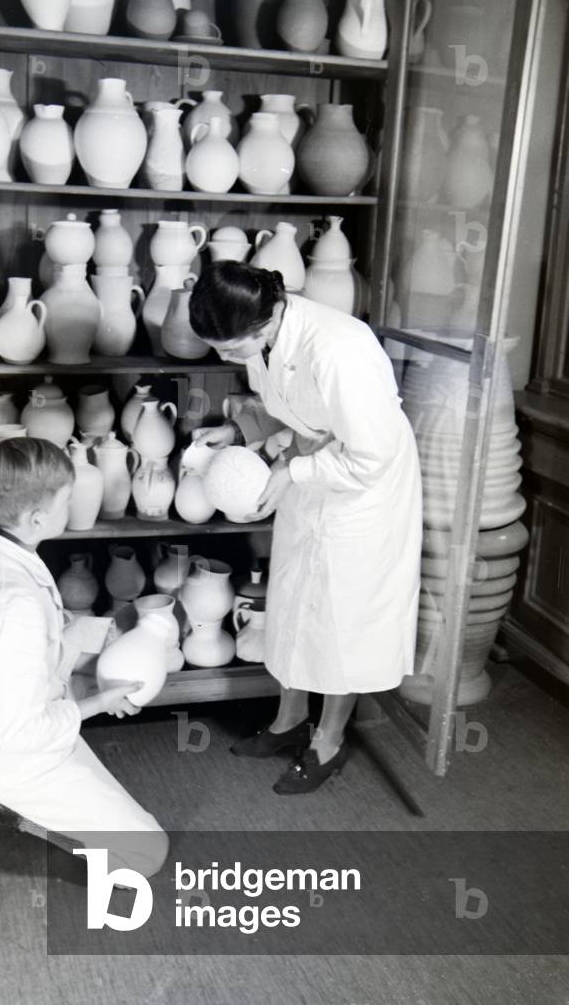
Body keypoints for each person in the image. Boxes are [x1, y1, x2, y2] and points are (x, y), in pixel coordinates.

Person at [190, 262, 422, 794]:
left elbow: (373, 456)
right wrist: (241, 428)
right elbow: (290, 411)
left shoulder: (340, 348)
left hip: (364, 491)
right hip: (312, 466)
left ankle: (329, 741)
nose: (221, 358)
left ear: (265, 320)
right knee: (295, 599)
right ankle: (288, 721)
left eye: (227, 349)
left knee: (342, 616)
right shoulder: (268, 338)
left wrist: (293, 469)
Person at [0, 437, 168, 877]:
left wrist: (110, 635)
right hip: (12, 753)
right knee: (146, 855)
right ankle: (3, 808)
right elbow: (22, 732)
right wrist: (101, 702)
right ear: (38, 517)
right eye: (68, 499)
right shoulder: (15, 601)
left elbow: (32, 642)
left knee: (95, 643)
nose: (75, 504)